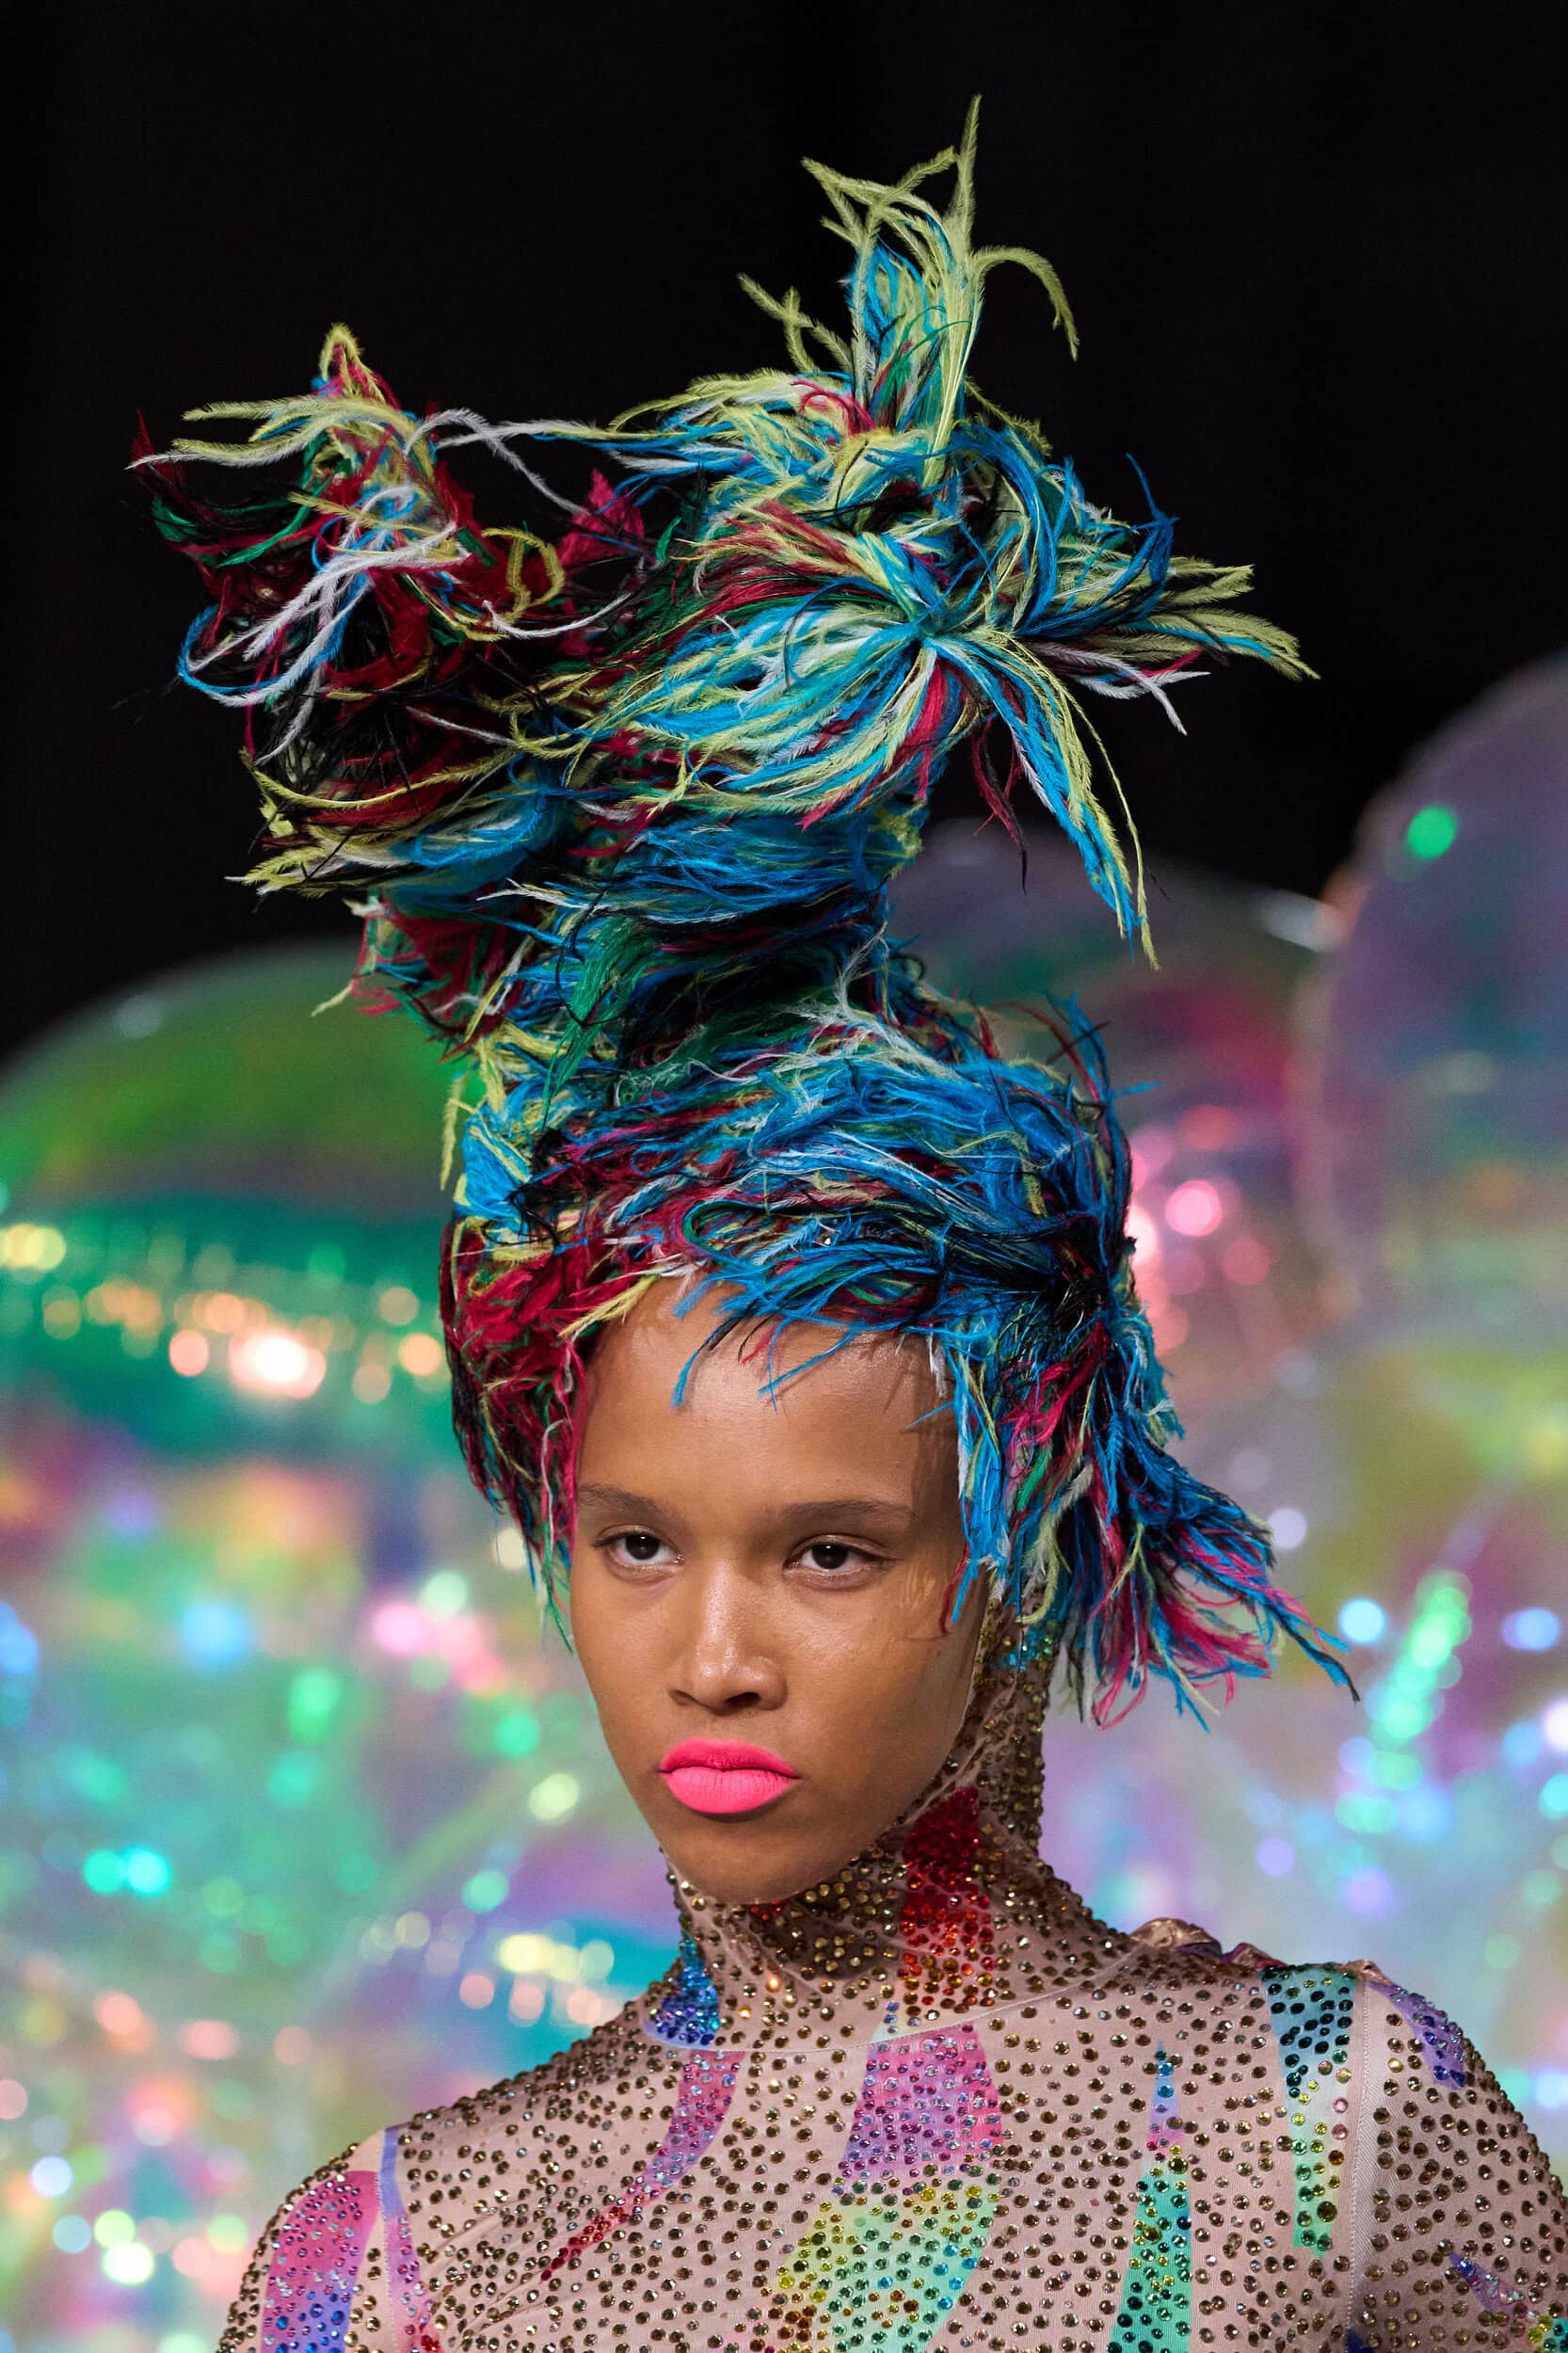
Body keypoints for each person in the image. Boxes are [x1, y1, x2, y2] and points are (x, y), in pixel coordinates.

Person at [147, 106, 1568, 2353]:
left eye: (826, 1548)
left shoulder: (1329, 2135)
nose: (708, 1654)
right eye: (633, 1540)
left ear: (1028, 1532)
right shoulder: (403, 2260)